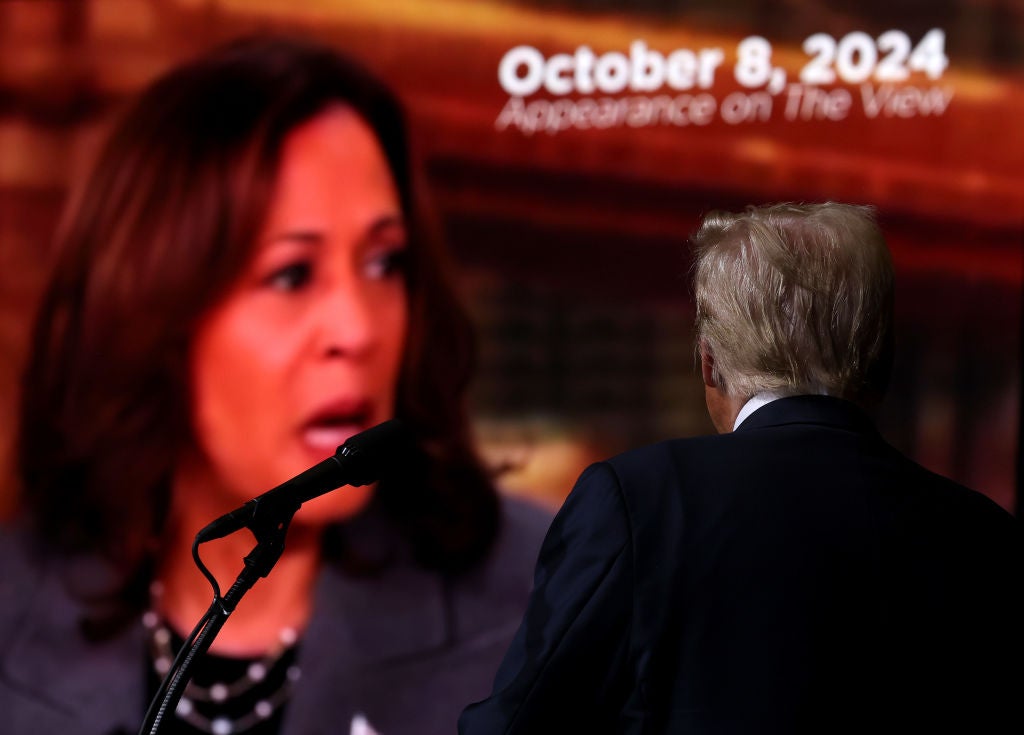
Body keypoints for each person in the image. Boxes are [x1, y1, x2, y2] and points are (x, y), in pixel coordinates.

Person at [0, 35, 550, 735]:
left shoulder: (548, 597)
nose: (357, 328)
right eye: (291, 275)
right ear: (157, 313)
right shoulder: (12, 606)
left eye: (385, 263)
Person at [459, 203, 1024, 734]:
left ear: (708, 363)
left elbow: (520, 724)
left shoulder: (636, 501)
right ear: (882, 361)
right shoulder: (985, 535)